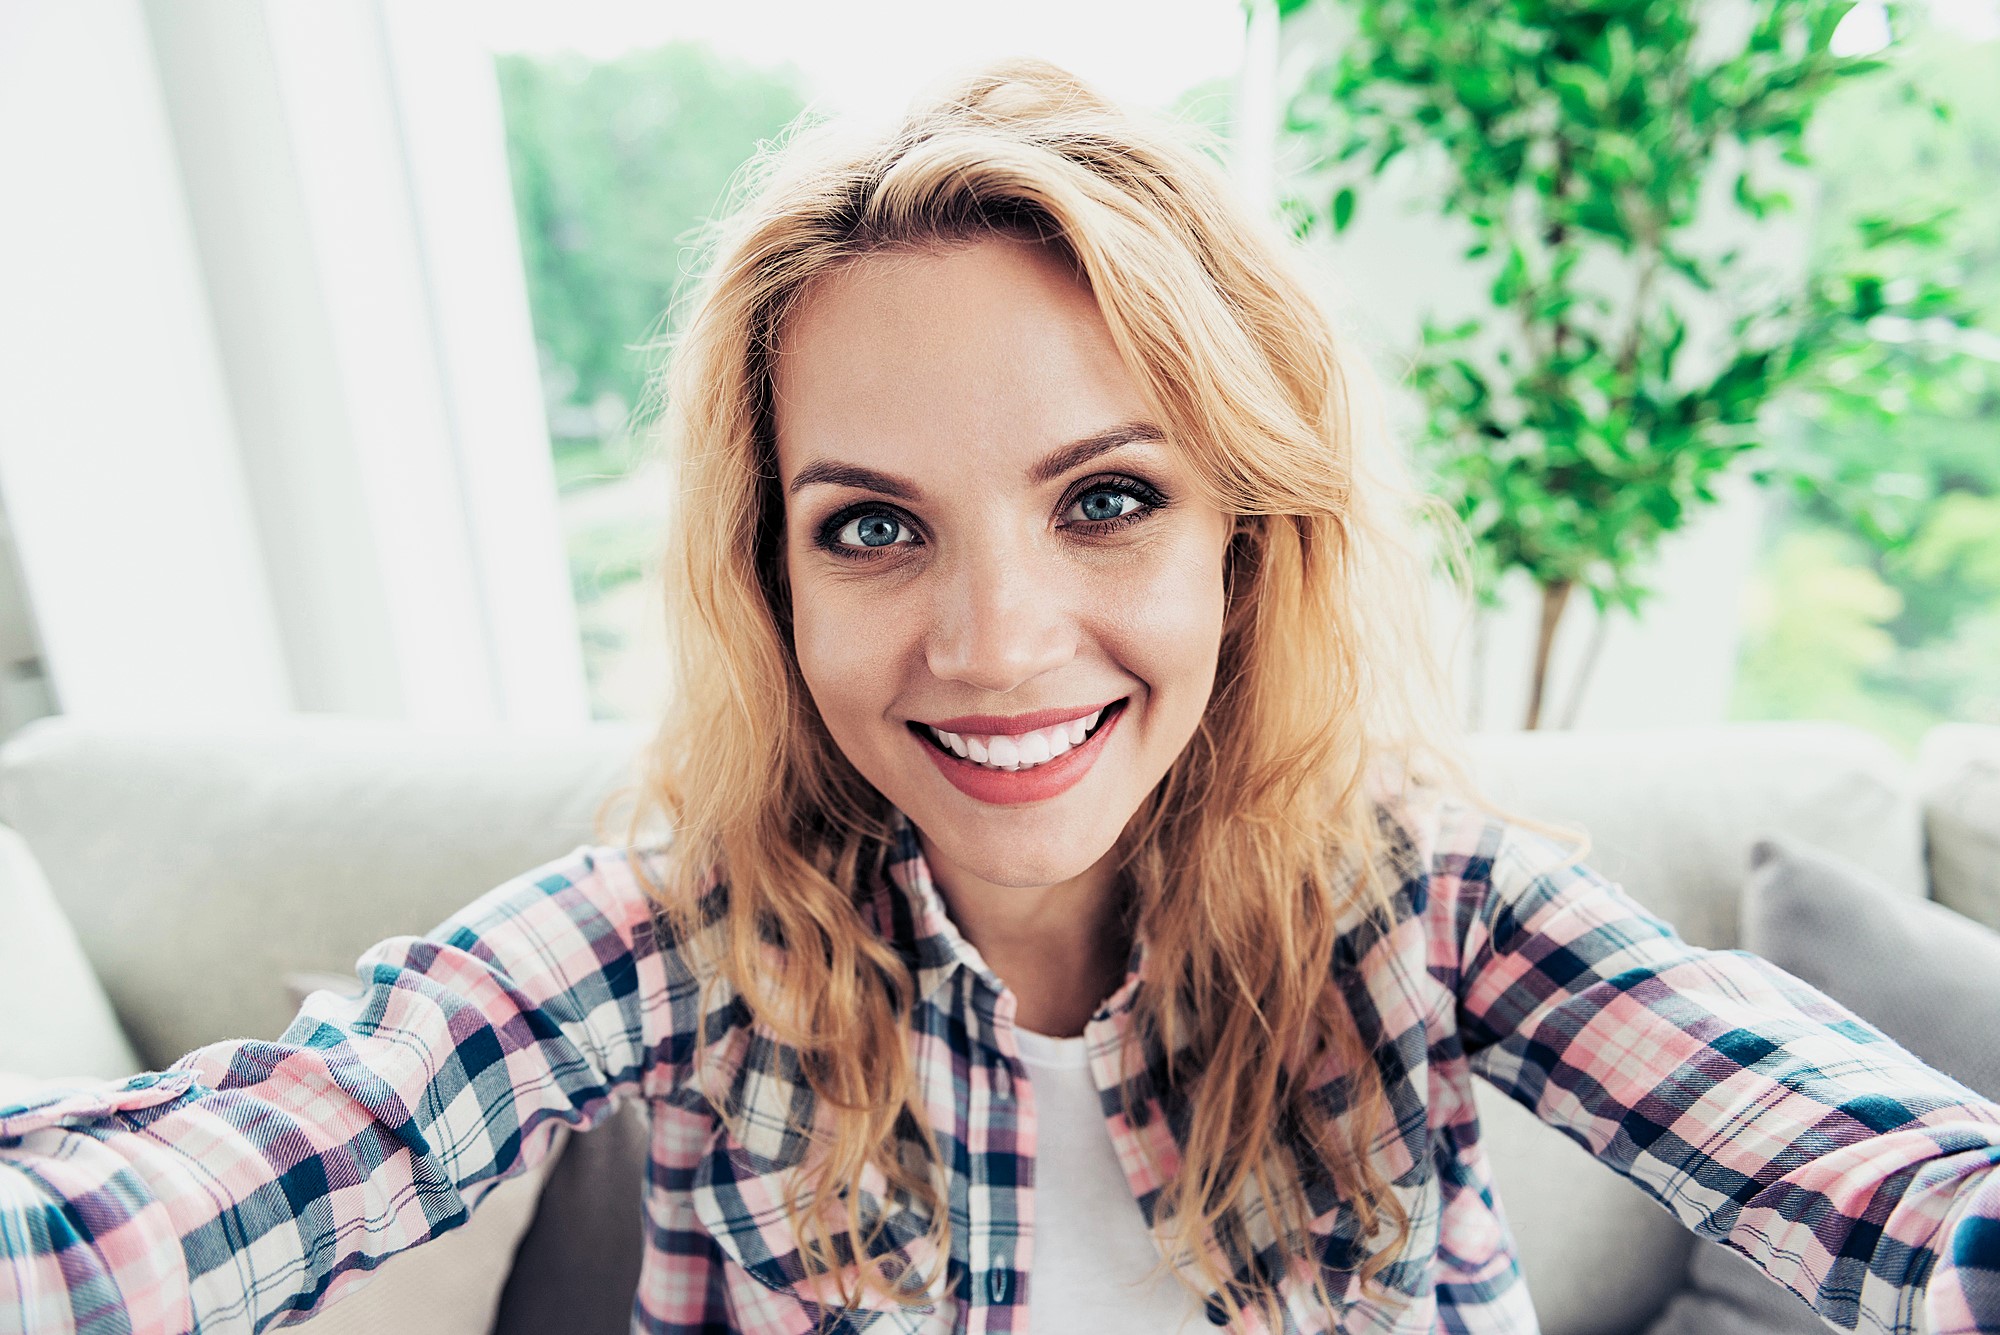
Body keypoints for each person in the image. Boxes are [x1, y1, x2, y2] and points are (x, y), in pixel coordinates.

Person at [3, 56, 1997, 1335]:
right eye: (873, 527)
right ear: (767, 576)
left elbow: (1890, 1188)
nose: (993, 642)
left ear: (1247, 532)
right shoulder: (677, 940)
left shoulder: (1442, 917)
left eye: (1105, 499)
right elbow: (231, 1166)